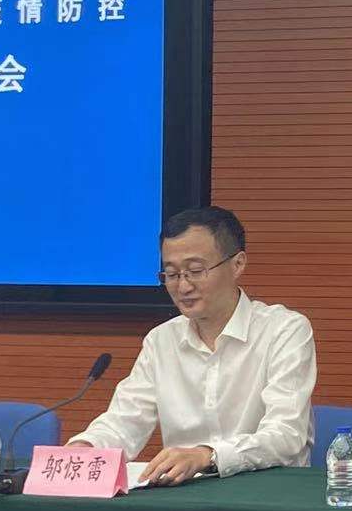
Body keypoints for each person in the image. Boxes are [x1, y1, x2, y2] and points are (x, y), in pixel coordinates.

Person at [70, 206, 316, 485]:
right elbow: (125, 420)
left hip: (268, 493)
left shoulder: (284, 330)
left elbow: (286, 434)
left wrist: (208, 455)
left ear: (237, 264)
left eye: (195, 271)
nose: (183, 287)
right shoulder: (161, 340)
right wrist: (86, 448)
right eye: (171, 274)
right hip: (186, 496)